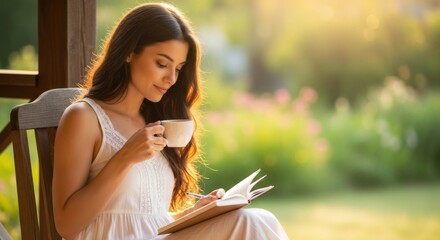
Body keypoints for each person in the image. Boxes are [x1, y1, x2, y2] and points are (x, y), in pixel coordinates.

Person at [52, 2, 288, 240]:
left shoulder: (154, 120)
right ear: (128, 52)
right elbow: (66, 225)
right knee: (252, 222)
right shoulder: (84, 118)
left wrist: (196, 214)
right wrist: (124, 157)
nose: (171, 78)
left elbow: (146, 220)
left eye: (178, 68)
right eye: (162, 64)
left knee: (260, 219)